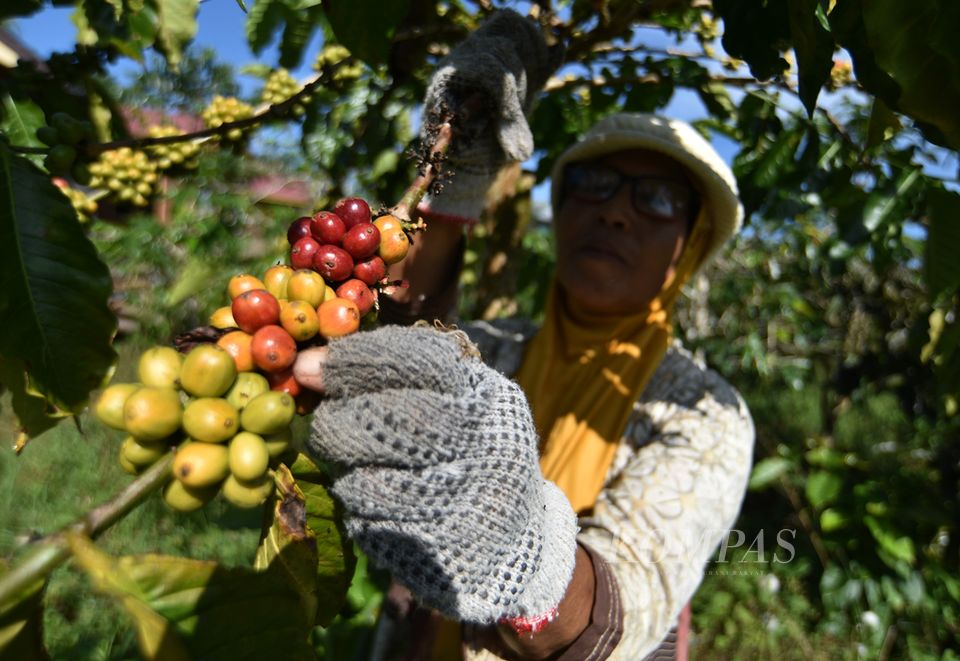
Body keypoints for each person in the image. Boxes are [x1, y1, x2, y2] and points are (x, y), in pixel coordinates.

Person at [292, 9, 754, 660]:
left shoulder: (703, 416)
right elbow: (387, 343)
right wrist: (453, 175)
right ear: (559, 214)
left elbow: (625, 601)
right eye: (593, 185)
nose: (616, 211)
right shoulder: (499, 346)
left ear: (689, 246)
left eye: (655, 197)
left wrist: (516, 556)